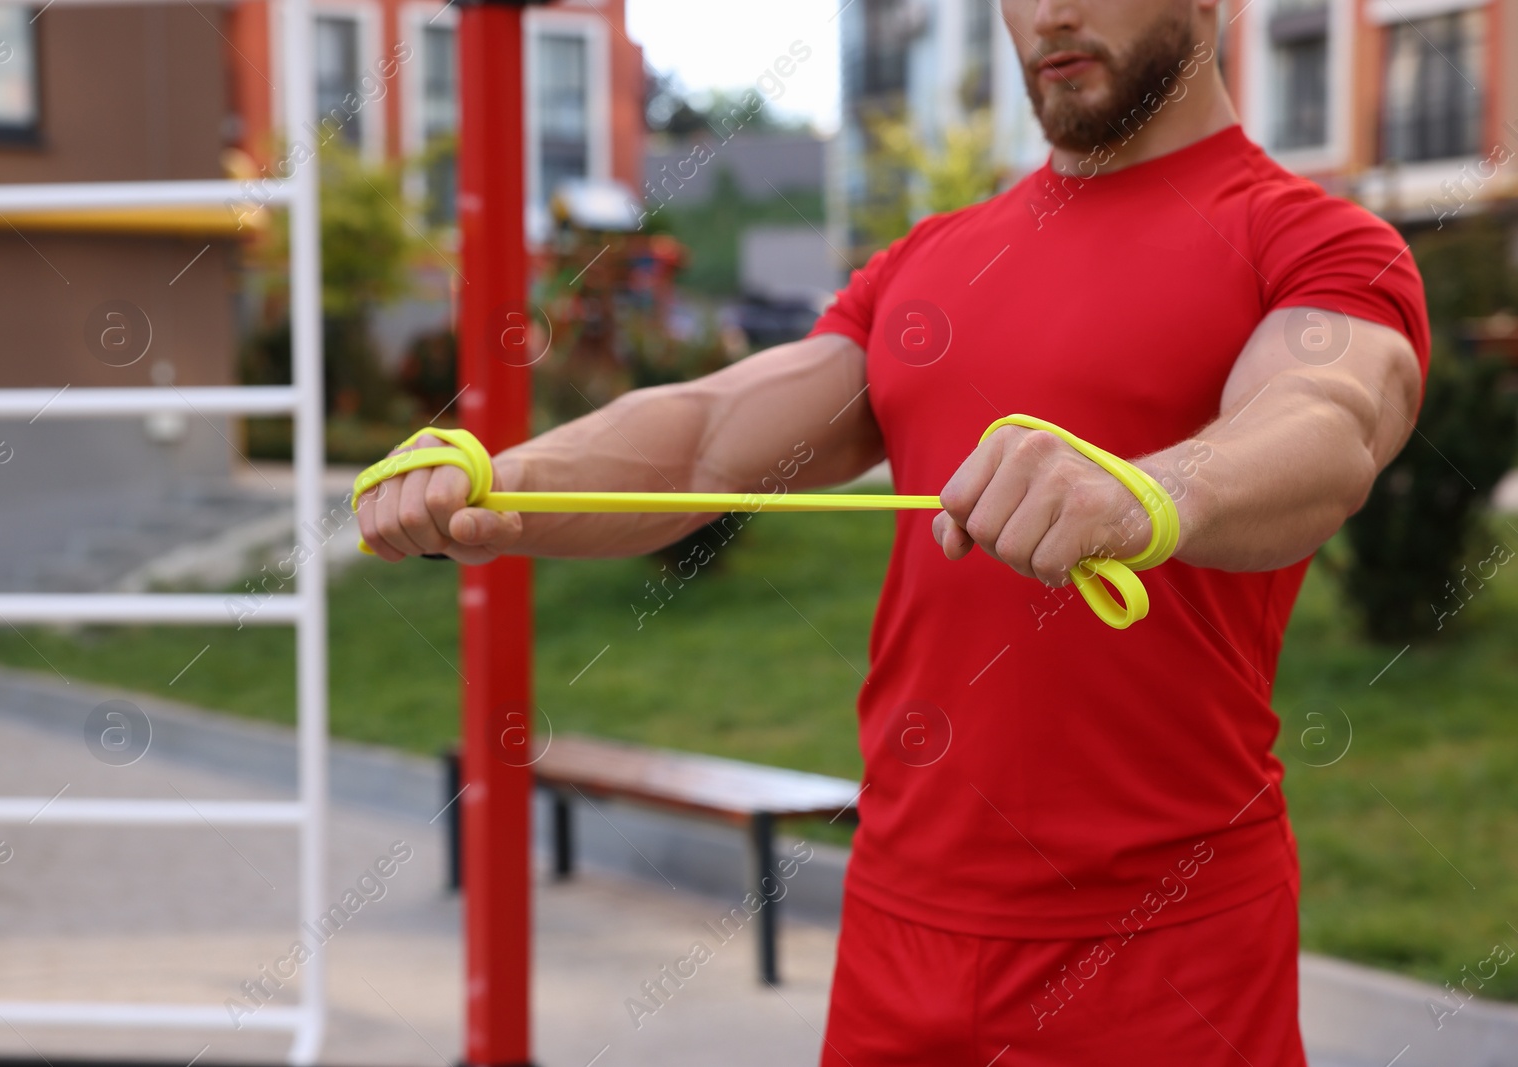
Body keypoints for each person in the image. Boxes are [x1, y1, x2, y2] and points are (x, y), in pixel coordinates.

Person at [359, 0, 1430, 1061]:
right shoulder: (933, 260)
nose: (1048, 14)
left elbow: (1327, 419)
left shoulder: (1312, 239)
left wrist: (1149, 494)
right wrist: (495, 477)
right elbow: (707, 435)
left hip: (1164, 950)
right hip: (897, 925)